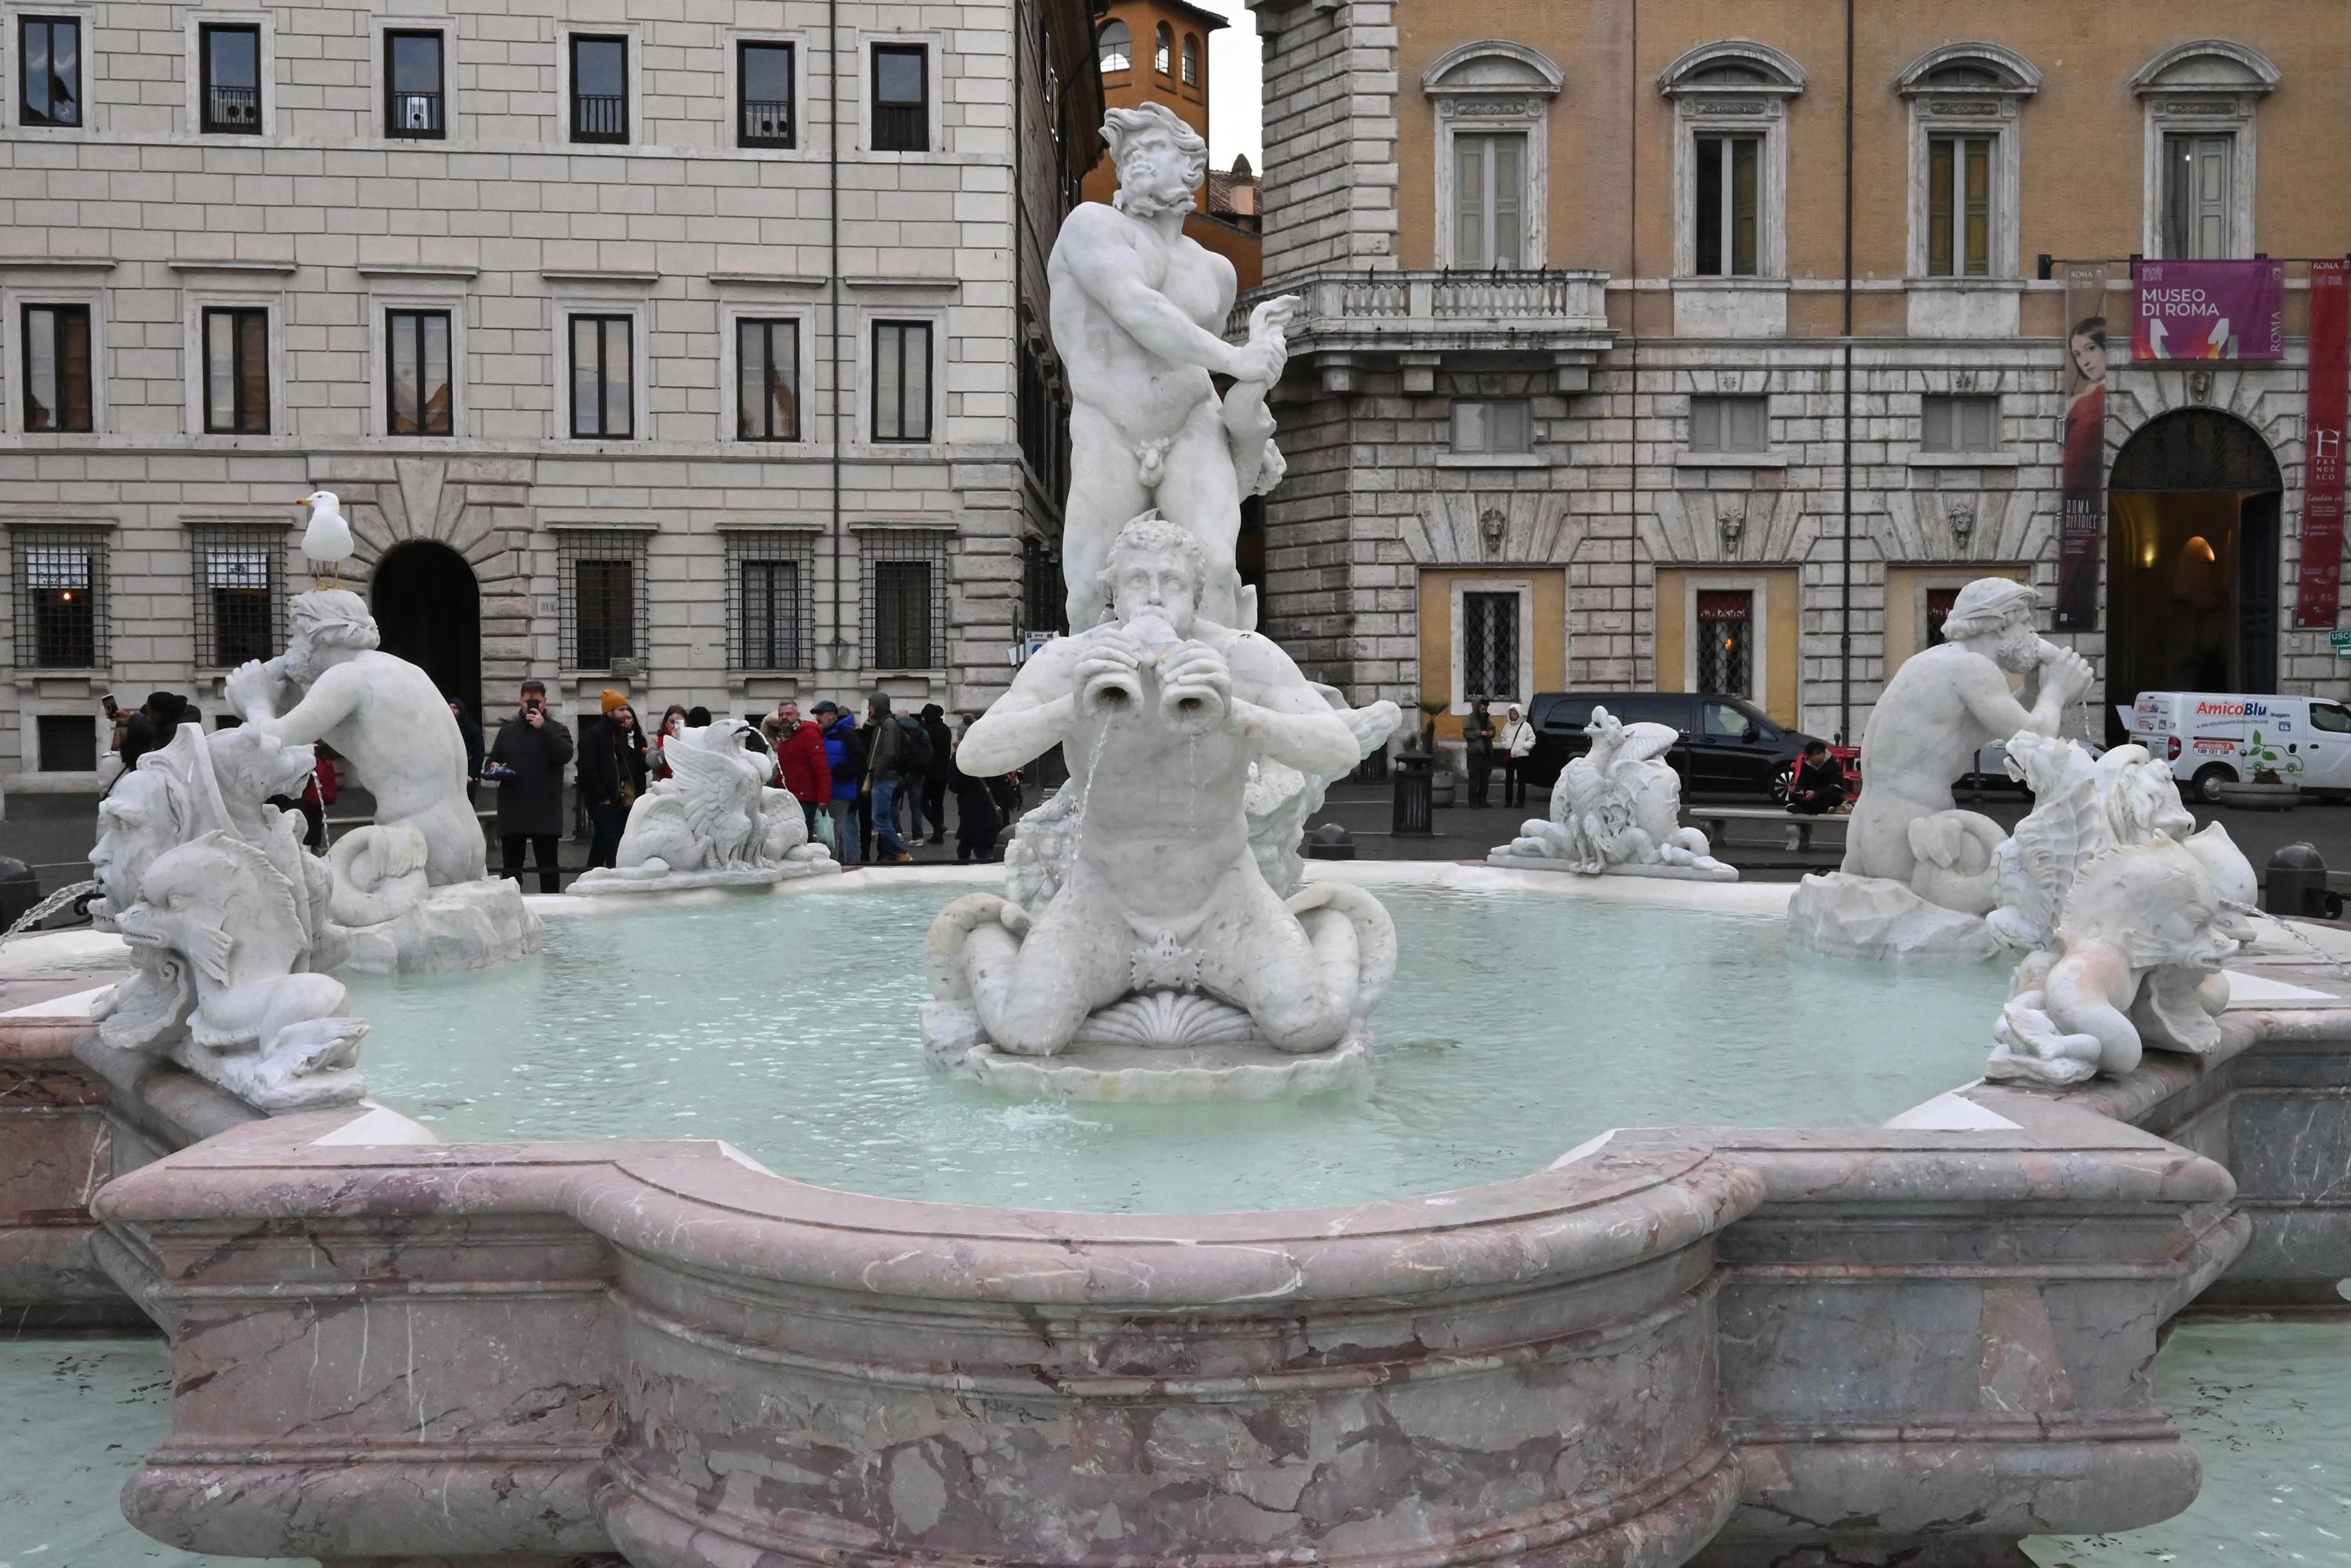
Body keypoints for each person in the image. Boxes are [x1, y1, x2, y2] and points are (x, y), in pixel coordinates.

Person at [1047, 102, 1292, 631]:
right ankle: (1100, 697)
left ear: (1190, 167)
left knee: (1218, 568)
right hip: (1109, 426)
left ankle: (1219, 699)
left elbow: (1192, 360)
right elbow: (1138, 310)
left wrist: (1246, 437)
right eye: (1130, 152)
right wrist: (1238, 358)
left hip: (1191, 426)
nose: (1137, 159)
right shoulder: (1090, 227)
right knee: (1090, 587)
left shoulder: (1216, 272)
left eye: (1153, 147)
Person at [222, 591, 481, 884]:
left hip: (416, 843)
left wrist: (256, 701)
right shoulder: (404, 670)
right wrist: (273, 688)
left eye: (296, 635)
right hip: (465, 837)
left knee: (316, 896)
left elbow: (271, 744)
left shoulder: (347, 678)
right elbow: (311, 720)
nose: (291, 646)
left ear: (322, 635)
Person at [486, 680, 574, 893]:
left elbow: (565, 755)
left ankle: (553, 915)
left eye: (537, 701)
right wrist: (494, 767)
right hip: (513, 810)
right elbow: (491, 762)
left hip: (545, 811)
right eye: (527, 701)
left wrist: (543, 728)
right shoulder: (507, 731)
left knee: (548, 869)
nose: (531, 706)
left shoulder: (557, 730)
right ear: (520, 701)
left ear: (545, 701)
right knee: (511, 871)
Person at [577, 690, 648, 871]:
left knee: (602, 843)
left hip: (617, 800)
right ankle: (616, 879)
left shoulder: (620, 736)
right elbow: (587, 769)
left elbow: (630, 765)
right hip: (603, 801)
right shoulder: (593, 735)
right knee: (612, 846)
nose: (626, 713)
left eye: (627, 709)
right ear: (609, 712)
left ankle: (591, 875)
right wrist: (603, 797)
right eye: (621, 709)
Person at [765, 699, 830, 835]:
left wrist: (823, 798)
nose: (785, 718)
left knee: (803, 836)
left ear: (798, 715)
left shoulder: (809, 734)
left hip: (806, 798)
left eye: (789, 714)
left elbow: (821, 768)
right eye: (781, 715)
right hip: (790, 797)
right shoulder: (785, 736)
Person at [947, 714, 1002, 864]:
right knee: (976, 844)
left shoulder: (960, 756)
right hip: (987, 803)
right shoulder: (987, 752)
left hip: (969, 805)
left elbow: (954, 784)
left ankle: (966, 871)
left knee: (972, 845)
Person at [864, 694, 911, 862]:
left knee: (879, 818)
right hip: (886, 776)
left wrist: (877, 773)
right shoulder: (882, 724)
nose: (868, 710)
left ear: (877, 706)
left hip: (885, 777)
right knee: (885, 817)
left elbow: (889, 752)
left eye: (870, 706)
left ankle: (901, 850)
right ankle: (894, 852)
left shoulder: (888, 725)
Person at [817, 701, 864, 865]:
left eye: (820, 714)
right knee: (838, 833)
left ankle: (832, 869)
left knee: (831, 834)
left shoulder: (846, 734)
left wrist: (840, 772)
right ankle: (843, 865)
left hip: (840, 790)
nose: (817, 717)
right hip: (829, 790)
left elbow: (860, 760)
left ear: (832, 715)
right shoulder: (824, 733)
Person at [918, 702, 955, 845]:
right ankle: (938, 835)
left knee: (924, 801)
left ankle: (938, 826)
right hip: (944, 771)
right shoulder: (945, 729)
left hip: (931, 771)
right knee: (938, 803)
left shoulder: (929, 730)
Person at [1788, 740, 1846, 817]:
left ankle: (1805, 808)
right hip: (1810, 795)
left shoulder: (1833, 765)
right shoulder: (1806, 766)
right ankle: (1809, 808)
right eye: (1813, 755)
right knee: (1793, 796)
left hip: (1825, 794)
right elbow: (1801, 782)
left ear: (1824, 753)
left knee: (1833, 797)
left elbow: (1837, 786)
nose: (1817, 757)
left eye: (1819, 754)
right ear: (1809, 756)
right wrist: (1800, 791)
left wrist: (1816, 793)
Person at [447, 698, 485, 803]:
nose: (452, 710)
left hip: (468, 774)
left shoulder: (473, 729)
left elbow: (479, 753)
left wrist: (472, 775)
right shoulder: (447, 728)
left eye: (455, 708)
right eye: (450, 707)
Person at [1500, 704, 1536, 809]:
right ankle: (1508, 801)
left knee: (1521, 780)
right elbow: (1503, 737)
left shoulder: (1526, 726)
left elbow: (1532, 739)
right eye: (1511, 713)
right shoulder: (1507, 726)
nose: (1513, 715)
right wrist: (1505, 745)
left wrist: (1525, 746)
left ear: (1519, 714)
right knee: (1509, 780)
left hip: (1522, 756)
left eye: (1515, 713)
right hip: (1510, 756)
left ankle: (1520, 801)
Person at [1462, 700, 1496, 807]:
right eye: (1482, 709)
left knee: (1485, 778)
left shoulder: (1487, 718)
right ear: (1477, 708)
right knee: (1475, 778)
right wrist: (1479, 733)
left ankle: (1483, 799)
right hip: (1475, 753)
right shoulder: (1470, 718)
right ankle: (1473, 800)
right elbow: (1466, 733)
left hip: (1486, 751)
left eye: (1485, 709)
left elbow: (1493, 730)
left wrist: (1491, 733)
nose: (1484, 711)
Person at [651, 704, 690, 780]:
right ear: (666, 723)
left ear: (685, 723)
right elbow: (653, 762)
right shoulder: (655, 740)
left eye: (679, 723)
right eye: (672, 722)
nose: (675, 726)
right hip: (662, 785)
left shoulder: (691, 740)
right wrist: (669, 743)